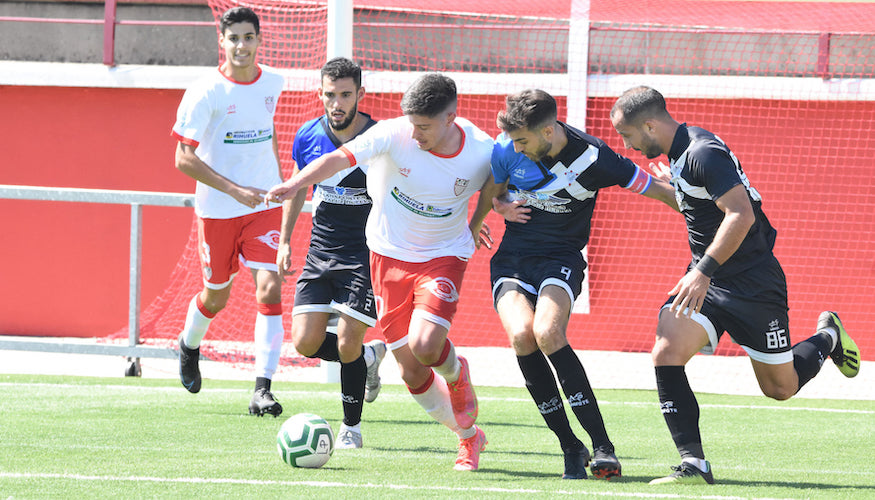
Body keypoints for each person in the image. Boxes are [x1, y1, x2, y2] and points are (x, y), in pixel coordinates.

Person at [610, 86, 861, 485]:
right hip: (709, 281)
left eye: (628, 136)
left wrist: (703, 269)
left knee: (780, 388)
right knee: (666, 351)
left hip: (753, 283)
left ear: (650, 124)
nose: (627, 143)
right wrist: (638, 182)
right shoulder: (680, 154)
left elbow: (740, 215)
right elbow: (693, 202)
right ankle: (694, 464)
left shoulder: (701, 153)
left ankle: (828, 337)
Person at [266, 73, 502, 471]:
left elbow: (500, 179)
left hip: (443, 255)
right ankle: (468, 438)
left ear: (451, 117)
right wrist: (295, 183)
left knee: (428, 346)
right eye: (411, 123)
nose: (416, 133)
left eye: (424, 126)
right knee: (410, 370)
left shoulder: (481, 149)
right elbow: (339, 158)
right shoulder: (394, 134)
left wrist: (479, 218)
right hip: (387, 256)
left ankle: (458, 377)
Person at [490, 89, 678, 480]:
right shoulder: (507, 146)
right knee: (523, 336)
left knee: (547, 332)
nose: (516, 149)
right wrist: (501, 205)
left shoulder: (595, 158)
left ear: (547, 131)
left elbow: (657, 190)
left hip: (561, 257)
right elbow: (493, 190)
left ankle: (602, 446)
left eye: (523, 141)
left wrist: (714, 211)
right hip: (512, 259)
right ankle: (569, 447)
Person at [171, 6, 286, 416]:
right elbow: (183, 158)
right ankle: (189, 344)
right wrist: (236, 190)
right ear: (222, 41)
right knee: (216, 297)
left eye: (248, 37)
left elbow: (269, 132)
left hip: (263, 207)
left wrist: (278, 185)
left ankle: (262, 389)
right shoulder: (206, 91)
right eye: (233, 37)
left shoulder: (274, 82)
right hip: (219, 209)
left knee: (270, 287)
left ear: (259, 40)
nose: (241, 45)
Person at [277, 56, 387, 449]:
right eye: (329, 95)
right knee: (305, 343)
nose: (336, 103)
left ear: (360, 94)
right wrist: (286, 240)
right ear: (320, 94)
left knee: (345, 341)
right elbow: (297, 188)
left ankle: (351, 428)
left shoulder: (379, 138)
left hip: (366, 253)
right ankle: (368, 359)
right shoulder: (308, 136)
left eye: (345, 94)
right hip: (321, 250)